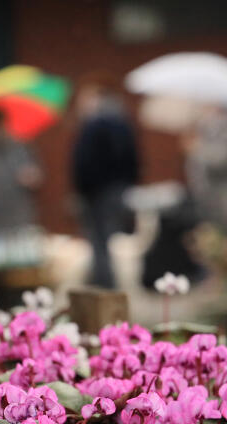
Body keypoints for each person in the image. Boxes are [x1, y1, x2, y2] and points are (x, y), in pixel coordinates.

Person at [72, 82, 140, 288]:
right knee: (113, 239)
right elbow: (134, 158)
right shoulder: (122, 121)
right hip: (118, 190)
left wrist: (83, 189)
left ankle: (104, 285)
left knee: (100, 241)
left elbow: (85, 162)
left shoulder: (95, 124)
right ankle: (113, 283)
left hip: (97, 193)